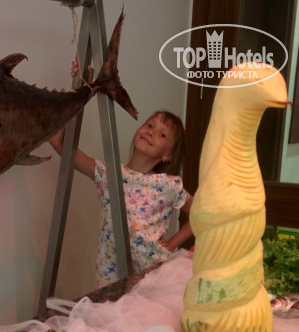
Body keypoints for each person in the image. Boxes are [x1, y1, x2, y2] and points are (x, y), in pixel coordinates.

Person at [49, 109, 194, 289]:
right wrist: (60, 115)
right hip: (111, 275)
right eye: (150, 125)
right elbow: (61, 145)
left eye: (162, 134)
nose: (151, 132)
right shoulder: (108, 174)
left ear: (167, 155)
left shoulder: (168, 185)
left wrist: (172, 243)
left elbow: (200, 214)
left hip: (150, 275)